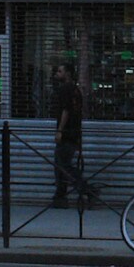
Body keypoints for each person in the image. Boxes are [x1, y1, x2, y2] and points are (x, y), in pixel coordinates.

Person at [49, 60, 87, 206]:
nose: (57, 74)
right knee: (61, 165)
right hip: (74, 132)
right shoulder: (76, 90)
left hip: (67, 133)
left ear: (68, 74)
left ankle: (84, 188)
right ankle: (60, 196)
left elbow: (66, 110)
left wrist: (60, 131)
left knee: (63, 165)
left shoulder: (65, 89)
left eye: (60, 71)